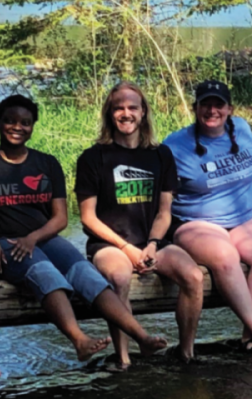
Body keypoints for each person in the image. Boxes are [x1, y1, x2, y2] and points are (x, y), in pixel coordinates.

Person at [0, 94, 167, 370]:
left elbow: (60, 218)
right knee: (45, 272)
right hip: (5, 243)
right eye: (10, 121)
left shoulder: (46, 164)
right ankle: (79, 340)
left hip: (44, 238)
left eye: (25, 122)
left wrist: (34, 238)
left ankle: (141, 336)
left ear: (33, 126)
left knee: (85, 273)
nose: (17, 127)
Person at [75, 83, 203, 364]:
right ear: (110, 113)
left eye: (133, 107)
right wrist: (127, 249)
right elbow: (88, 217)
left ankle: (186, 353)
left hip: (153, 241)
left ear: (143, 112)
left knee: (194, 277)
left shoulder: (161, 155)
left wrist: (153, 245)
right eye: (119, 107)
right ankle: (124, 360)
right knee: (119, 277)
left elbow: (164, 212)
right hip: (109, 243)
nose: (126, 113)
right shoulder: (93, 158)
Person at [162, 80, 252, 355]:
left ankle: (248, 339)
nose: (212, 110)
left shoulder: (241, 129)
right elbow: (161, 195)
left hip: (243, 219)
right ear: (195, 108)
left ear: (229, 109)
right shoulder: (174, 145)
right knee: (225, 256)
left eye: (219, 104)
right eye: (205, 104)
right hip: (196, 222)